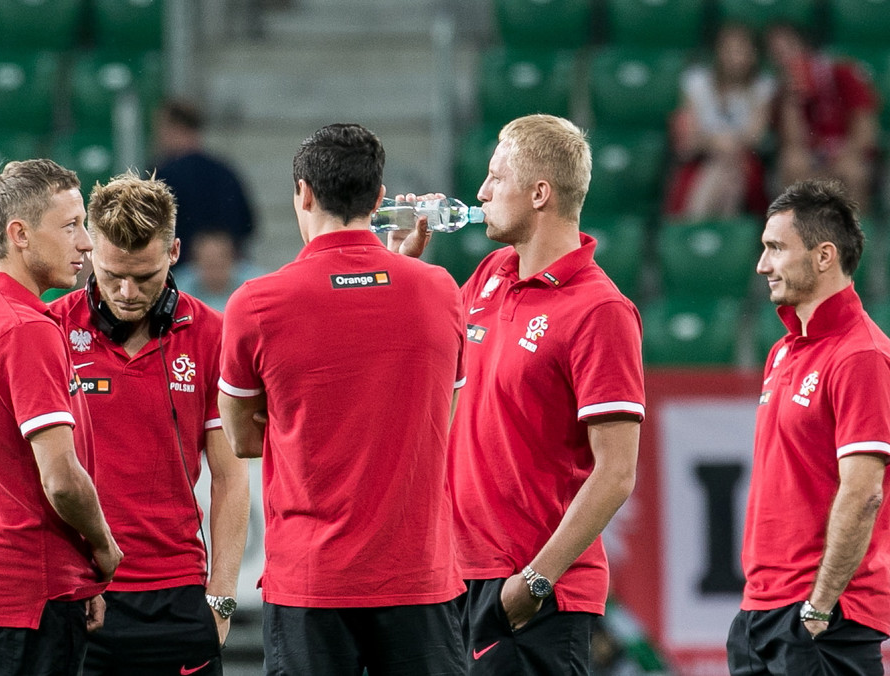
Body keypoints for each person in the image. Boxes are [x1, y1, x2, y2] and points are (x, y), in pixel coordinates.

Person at [399, 114, 645, 675]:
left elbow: (617, 473)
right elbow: (410, 359)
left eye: (494, 177)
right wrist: (402, 260)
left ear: (540, 193)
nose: (481, 193)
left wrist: (535, 581)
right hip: (455, 576)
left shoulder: (600, 310)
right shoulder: (488, 273)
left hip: (531, 594)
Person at [219, 123, 467, 675]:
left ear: (303, 193)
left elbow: (241, 438)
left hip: (312, 583)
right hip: (418, 580)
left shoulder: (256, 303)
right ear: (379, 200)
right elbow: (436, 419)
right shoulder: (440, 291)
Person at [48, 172, 250, 676]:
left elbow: (230, 476)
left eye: (145, 276)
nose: (127, 292)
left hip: (177, 598)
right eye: (113, 273)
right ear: (90, 249)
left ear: (175, 251)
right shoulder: (49, 330)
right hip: (80, 595)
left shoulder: (211, 334)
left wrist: (222, 597)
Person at [0, 158, 123, 676]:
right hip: (27, 591)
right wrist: (104, 548)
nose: (86, 243)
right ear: (19, 234)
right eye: (71, 226)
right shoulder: (25, 328)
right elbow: (61, 480)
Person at [727, 178, 890, 676]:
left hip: (823, 619)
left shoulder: (861, 355)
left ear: (824, 256)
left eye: (776, 248)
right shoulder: (782, 350)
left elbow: (864, 493)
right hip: (761, 613)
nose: (762, 265)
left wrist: (818, 608)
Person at [664, 22, 775, 220]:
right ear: (718, 52)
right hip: (701, 161)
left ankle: (697, 223)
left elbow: (755, 136)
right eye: (729, 50)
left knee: (728, 169)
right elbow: (688, 138)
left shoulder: (763, 88)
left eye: (741, 51)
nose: (735, 58)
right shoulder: (696, 82)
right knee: (723, 170)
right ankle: (721, 234)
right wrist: (718, 143)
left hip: (745, 163)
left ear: (753, 55)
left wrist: (715, 142)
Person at [766, 23, 880, 212]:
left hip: (846, 153)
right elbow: (793, 143)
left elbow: (866, 132)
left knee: (853, 170)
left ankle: (855, 235)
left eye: (789, 50)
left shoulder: (842, 73)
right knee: (792, 162)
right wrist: (791, 102)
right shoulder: (781, 93)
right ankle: (801, 236)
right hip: (812, 158)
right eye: (777, 54)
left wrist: (840, 156)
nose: (785, 59)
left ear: (806, 48)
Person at [153, 98, 257, 261]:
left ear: (175, 128)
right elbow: (248, 226)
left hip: (176, 269)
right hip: (226, 272)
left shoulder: (162, 176)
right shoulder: (225, 171)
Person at [175, 229, 266, 312]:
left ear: (233, 259)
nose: (215, 271)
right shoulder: (179, 287)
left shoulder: (255, 285)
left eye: (220, 264)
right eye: (209, 264)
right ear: (195, 263)